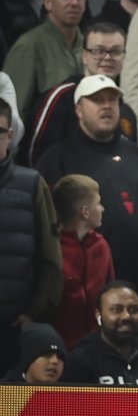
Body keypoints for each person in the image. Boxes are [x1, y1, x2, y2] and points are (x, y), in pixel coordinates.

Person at [35, 75, 138, 320]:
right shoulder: (56, 159)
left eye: (112, 100)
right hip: (83, 293)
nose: (106, 106)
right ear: (79, 109)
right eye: (97, 100)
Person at [0, 94, 59, 375]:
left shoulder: (32, 184)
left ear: (9, 135)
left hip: (15, 329)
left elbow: (51, 259)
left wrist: (34, 314)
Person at [3, 0, 85, 121]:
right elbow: (12, 113)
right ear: (47, 2)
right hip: (40, 142)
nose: (74, 2)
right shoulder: (29, 46)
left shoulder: (90, 45)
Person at [62, 280, 138, 385]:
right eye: (116, 310)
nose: (126, 316)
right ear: (98, 315)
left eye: (133, 309)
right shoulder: (78, 363)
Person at [51, 174, 114, 350]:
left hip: (97, 345)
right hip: (60, 346)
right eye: (98, 203)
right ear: (85, 211)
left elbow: (110, 291)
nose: (103, 209)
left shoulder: (101, 246)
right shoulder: (52, 248)